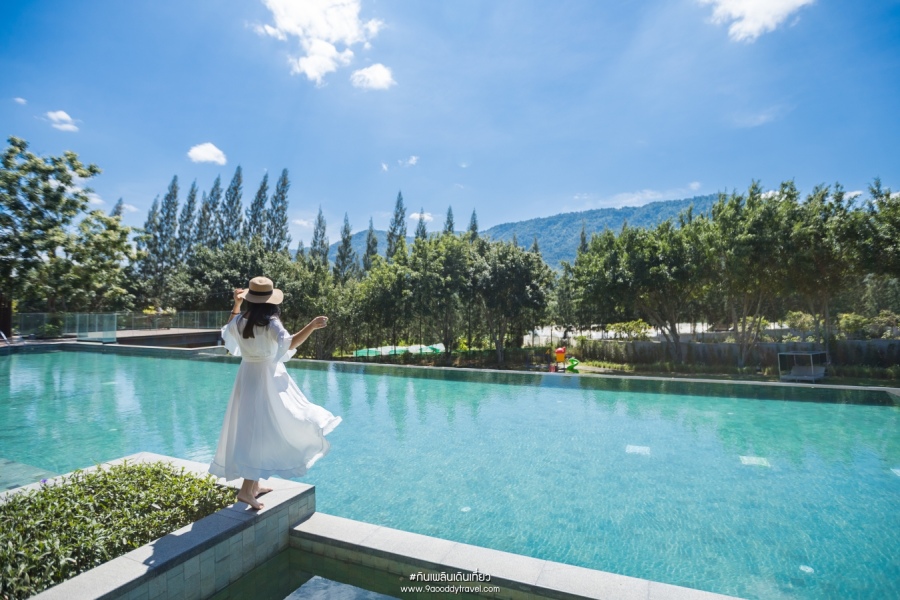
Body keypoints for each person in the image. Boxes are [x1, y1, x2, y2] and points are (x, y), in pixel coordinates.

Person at [209, 276, 342, 510]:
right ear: (271, 301)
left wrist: (236, 305)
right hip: (268, 378)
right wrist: (311, 326)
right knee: (264, 430)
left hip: (247, 376)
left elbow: (227, 331)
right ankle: (245, 491)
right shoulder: (270, 322)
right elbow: (289, 343)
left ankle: (254, 485)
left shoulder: (240, 319)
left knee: (254, 428)